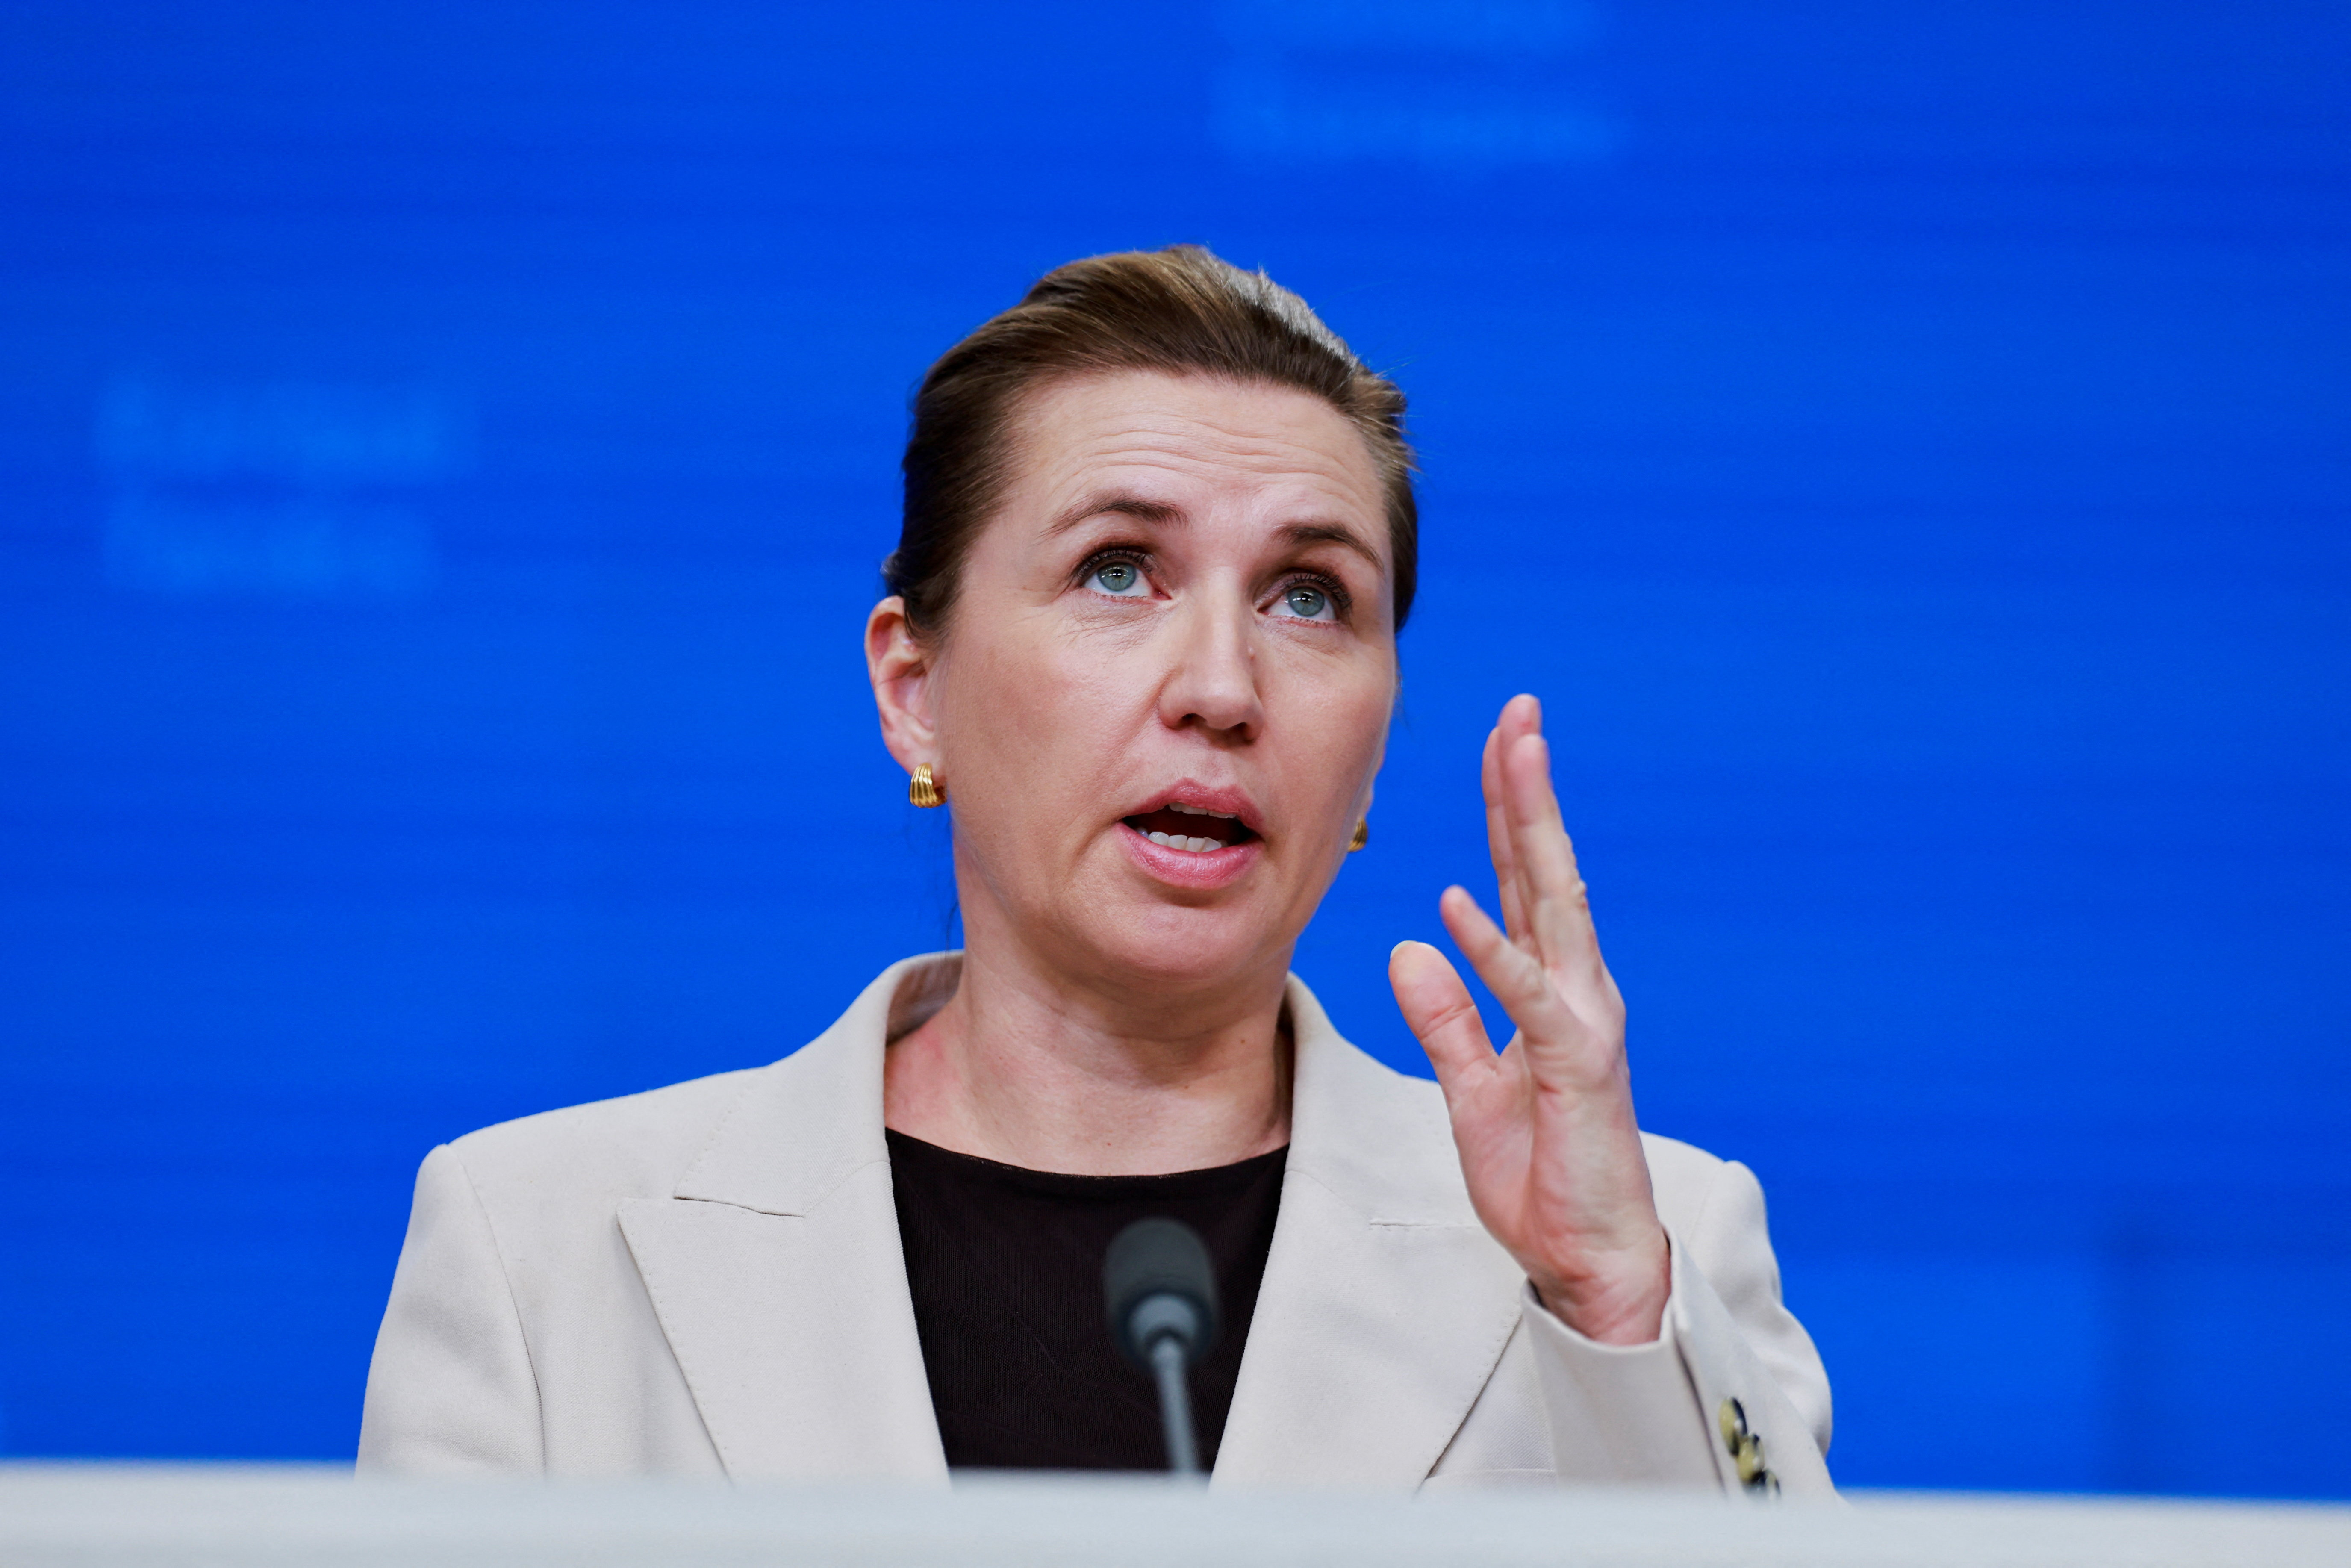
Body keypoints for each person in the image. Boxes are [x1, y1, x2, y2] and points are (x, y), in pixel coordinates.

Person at [357, 245, 1832, 1493]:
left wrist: (1611, 1309)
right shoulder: (538, 1249)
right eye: (1118, 568)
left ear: (1378, 740)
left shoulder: (1648, 1251)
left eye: (1311, 596)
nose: (1221, 684)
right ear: (913, 684)